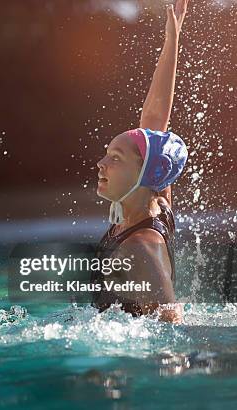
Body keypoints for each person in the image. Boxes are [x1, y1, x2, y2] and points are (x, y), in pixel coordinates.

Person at [92, 0, 190, 323]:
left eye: (115, 158)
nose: (101, 164)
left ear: (143, 174)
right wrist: (171, 42)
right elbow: (155, 119)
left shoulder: (142, 246)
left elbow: (173, 321)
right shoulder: (156, 202)